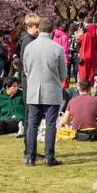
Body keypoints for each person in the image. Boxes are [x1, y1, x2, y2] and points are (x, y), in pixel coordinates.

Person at [22, 18, 67, 167]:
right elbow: (63, 74)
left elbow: (26, 70)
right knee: (50, 124)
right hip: (52, 90)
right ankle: (49, 157)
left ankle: (30, 157)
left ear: (39, 29)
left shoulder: (29, 47)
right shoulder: (57, 48)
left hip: (34, 90)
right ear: (52, 31)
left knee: (32, 125)